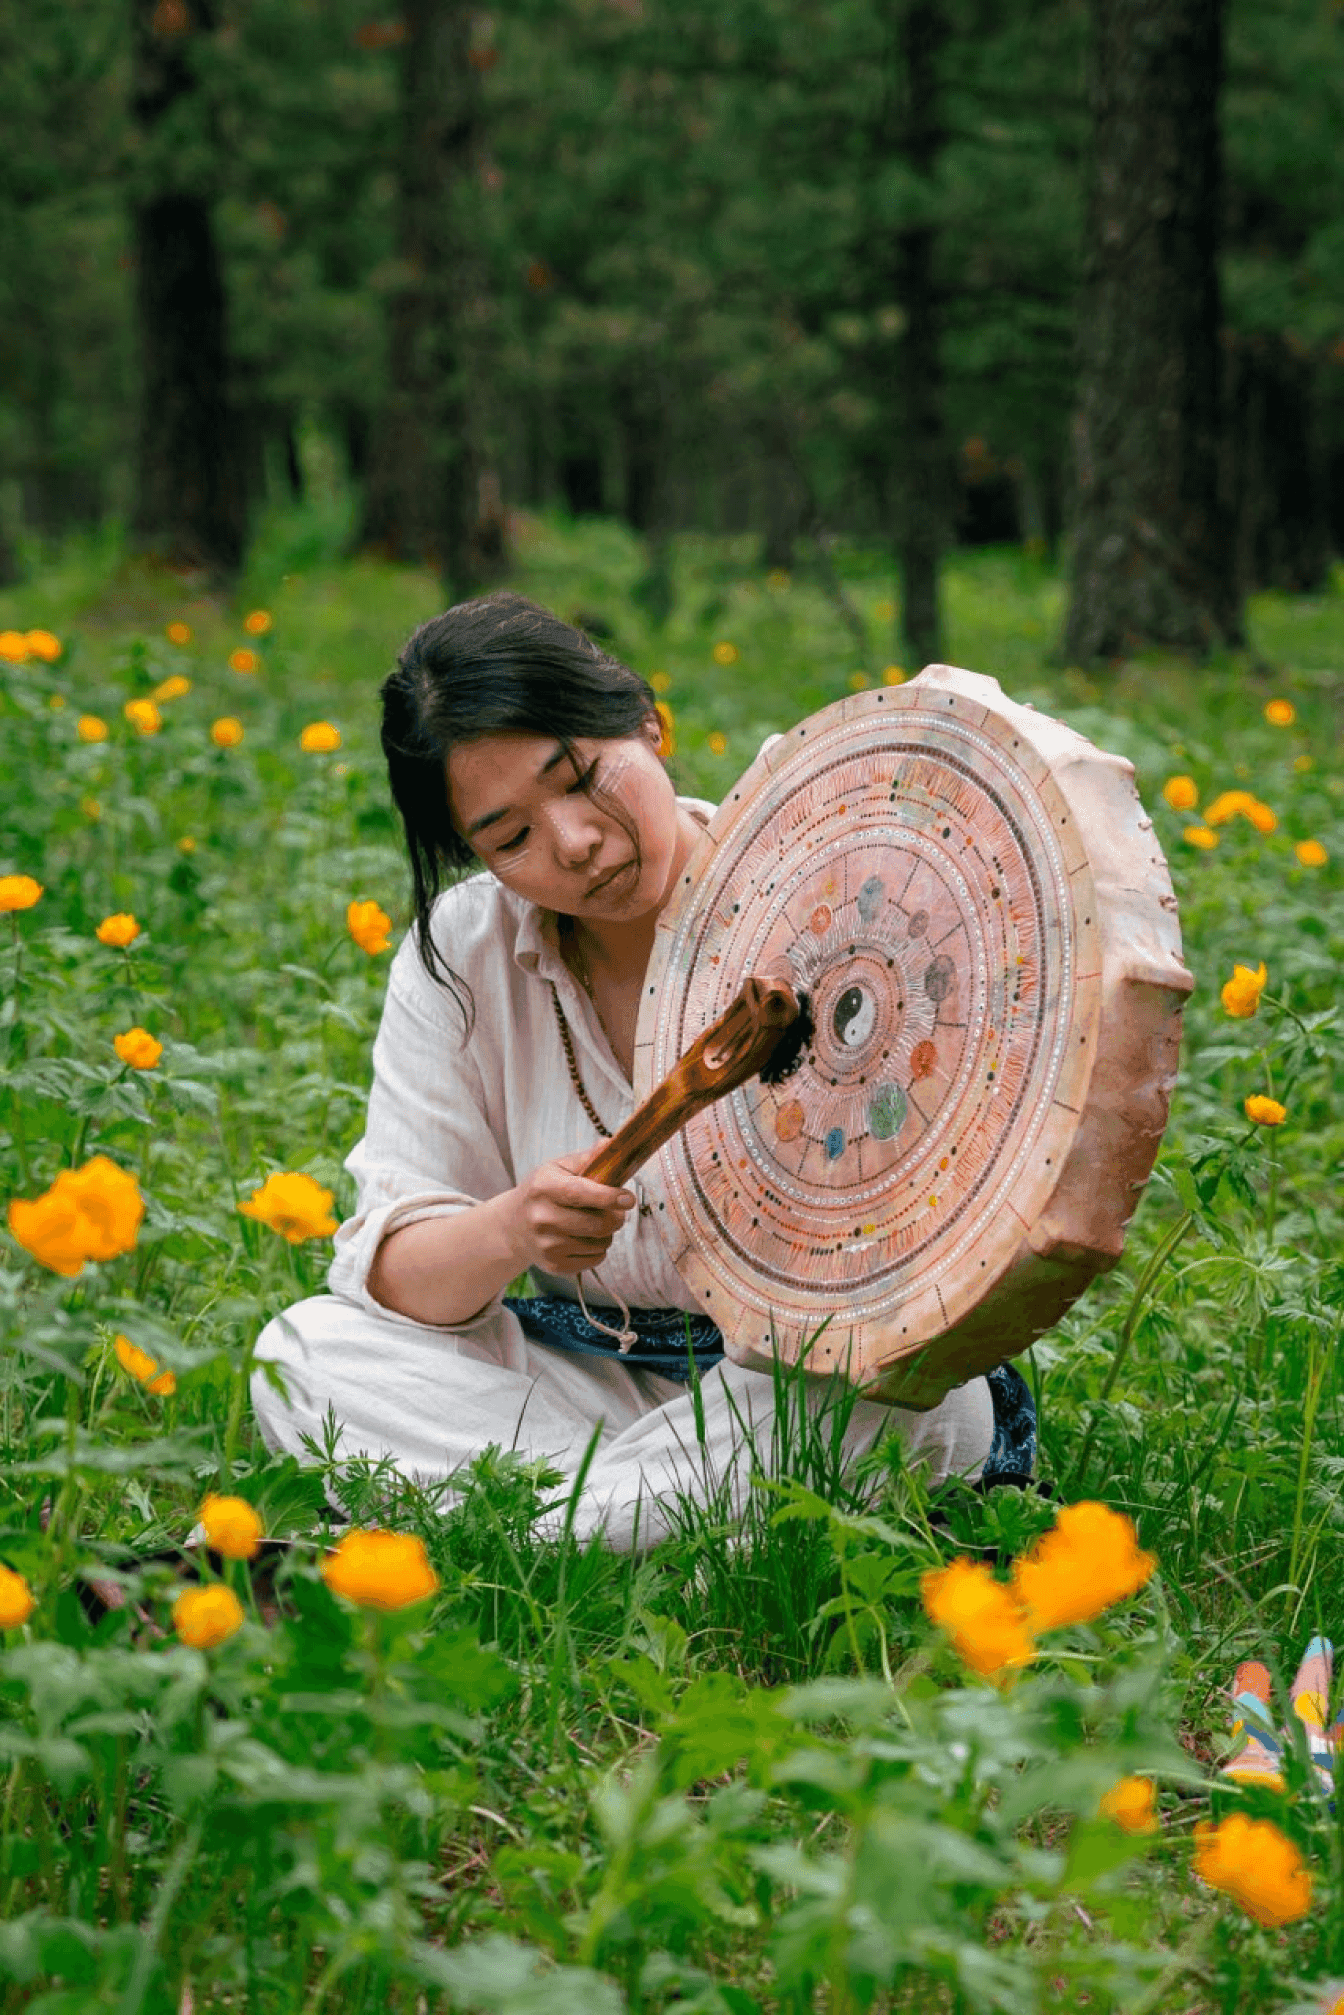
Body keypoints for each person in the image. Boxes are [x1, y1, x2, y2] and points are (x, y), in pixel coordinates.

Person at [251, 593, 1029, 1550]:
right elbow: (399, 1273)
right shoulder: (463, 954)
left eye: (579, 776)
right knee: (302, 1356)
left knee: (892, 1402)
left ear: (647, 721)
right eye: (511, 837)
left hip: (809, 1383)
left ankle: (532, 1534)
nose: (573, 841)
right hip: (584, 1385)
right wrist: (508, 1228)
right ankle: (658, 1532)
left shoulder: (826, 882)